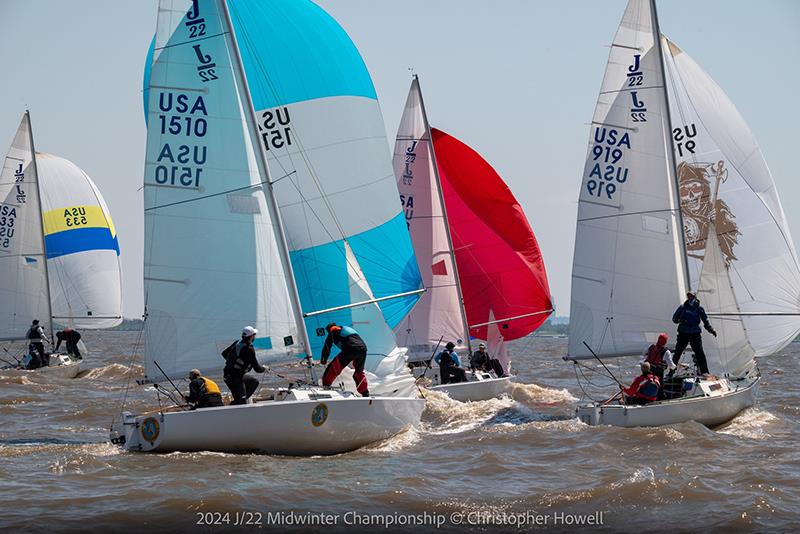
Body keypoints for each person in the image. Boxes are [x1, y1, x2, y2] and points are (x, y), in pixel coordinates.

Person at [671, 291, 717, 376]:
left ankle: (705, 372)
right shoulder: (682, 307)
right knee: (677, 353)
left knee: (700, 353)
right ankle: (671, 372)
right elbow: (674, 319)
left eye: (691, 296)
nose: (690, 298)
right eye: (688, 296)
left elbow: (705, 321)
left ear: (695, 297)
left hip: (695, 333)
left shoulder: (699, 308)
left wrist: (711, 330)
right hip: (683, 333)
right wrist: (680, 320)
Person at [320, 323, 369, 397]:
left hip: (350, 349)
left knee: (332, 369)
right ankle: (365, 393)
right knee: (358, 373)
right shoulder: (346, 329)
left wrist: (324, 359)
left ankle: (326, 388)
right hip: (363, 349)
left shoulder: (334, 329)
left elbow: (327, 346)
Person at [222, 326, 266, 405]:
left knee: (253, 382)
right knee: (241, 402)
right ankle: (237, 403)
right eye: (254, 335)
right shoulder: (249, 349)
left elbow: (224, 354)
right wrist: (265, 368)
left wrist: (234, 362)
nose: (254, 337)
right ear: (251, 336)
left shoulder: (237, 342)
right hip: (233, 378)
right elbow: (257, 369)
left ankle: (239, 400)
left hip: (233, 375)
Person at [642, 332, 676, 397]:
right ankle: (659, 398)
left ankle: (646, 396)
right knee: (659, 387)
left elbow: (644, 353)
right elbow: (671, 365)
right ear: (665, 342)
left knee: (647, 383)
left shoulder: (651, 346)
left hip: (648, 369)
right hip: (658, 372)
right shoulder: (666, 352)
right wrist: (674, 367)